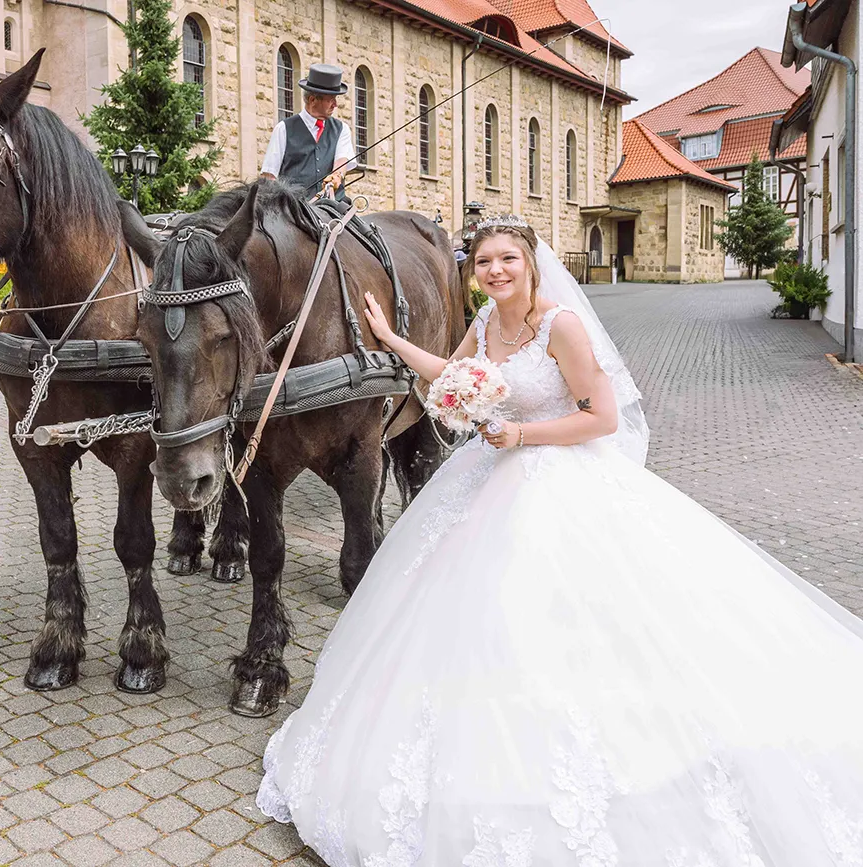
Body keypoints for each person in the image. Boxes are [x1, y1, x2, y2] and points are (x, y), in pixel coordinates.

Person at [255, 214, 863, 864]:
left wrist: (520, 435)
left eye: (507, 260)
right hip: (487, 479)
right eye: (484, 262)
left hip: (558, 479)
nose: (495, 271)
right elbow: (448, 371)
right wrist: (387, 339)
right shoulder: (487, 321)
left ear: (530, 262)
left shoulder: (560, 325)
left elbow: (600, 418)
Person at [260, 63, 358, 199]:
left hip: (333, 207)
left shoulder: (342, 129)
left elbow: (341, 162)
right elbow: (268, 177)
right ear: (312, 100)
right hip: (294, 210)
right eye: (331, 100)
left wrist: (337, 176)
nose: (335, 104)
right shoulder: (283, 129)